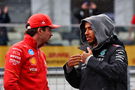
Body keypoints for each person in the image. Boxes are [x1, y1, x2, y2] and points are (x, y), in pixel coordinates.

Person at [63, 14, 128, 90]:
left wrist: (90, 60)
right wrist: (69, 69)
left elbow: (117, 72)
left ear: (101, 29)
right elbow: (78, 83)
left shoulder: (116, 49)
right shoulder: (87, 52)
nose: (86, 33)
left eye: (90, 28)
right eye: (85, 29)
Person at [4, 13, 60, 90]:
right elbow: (9, 84)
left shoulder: (41, 54)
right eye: (49, 30)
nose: (51, 34)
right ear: (40, 30)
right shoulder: (17, 50)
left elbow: (44, 85)